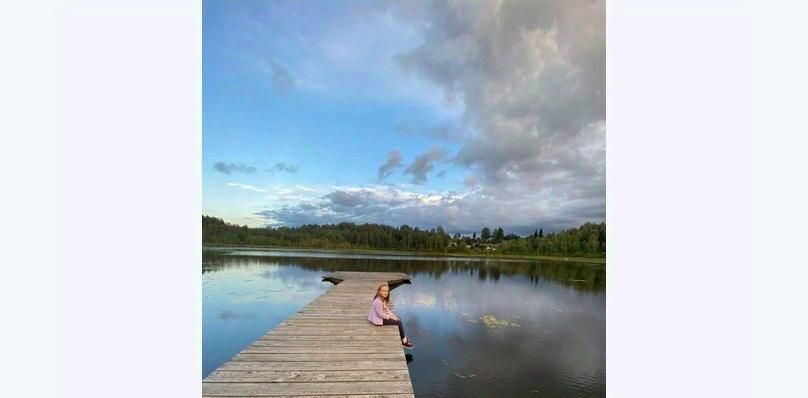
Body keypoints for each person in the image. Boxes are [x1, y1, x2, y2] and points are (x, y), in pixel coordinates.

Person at [368, 282, 414, 348]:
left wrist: (393, 315)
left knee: (398, 318)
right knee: (398, 322)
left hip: (380, 316)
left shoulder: (383, 299)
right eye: (383, 291)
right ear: (379, 291)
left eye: (387, 291)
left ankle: (403, 338)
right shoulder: (377, 301)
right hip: (377, 319)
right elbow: (380, 314)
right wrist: (390, 317)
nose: (385, 293)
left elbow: (387, 310)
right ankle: (404, 341)